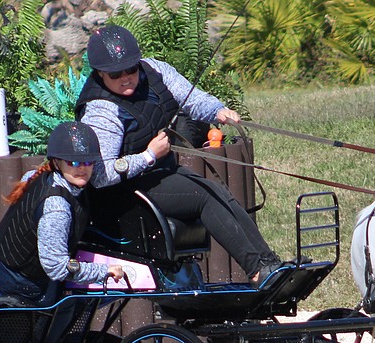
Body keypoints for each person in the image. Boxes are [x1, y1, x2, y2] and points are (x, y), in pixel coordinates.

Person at [75, 24, 282, 286]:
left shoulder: (154, 70)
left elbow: (191, 98)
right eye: (116, 73)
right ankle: (256, 270)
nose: (126, 77)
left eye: (131, 68)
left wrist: (218, 111)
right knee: (203, 196)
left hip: (160, 175)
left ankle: (268, 264)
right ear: (100, 73)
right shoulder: (102, 111)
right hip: (125, 194)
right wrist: (149, 156)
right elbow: (101, 176)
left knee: (218, 191)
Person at [0, 121, 125, 306]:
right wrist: (105, 271)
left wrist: (149, 156)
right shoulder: (57, 209)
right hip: (4, 282)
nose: (82, 168)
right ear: (56, 162)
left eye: (88, 162)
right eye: (74, 162)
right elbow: (57, 268)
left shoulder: (41, 175)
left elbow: (108, 174)